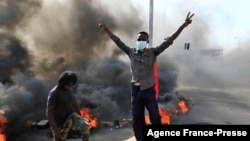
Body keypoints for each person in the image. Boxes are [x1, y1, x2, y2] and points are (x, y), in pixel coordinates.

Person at [98, 12, 194, 141]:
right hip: (136, 91)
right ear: (136, 41)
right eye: (139, 39)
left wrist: (183, 25)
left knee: (155, 116)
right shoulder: (130, 52)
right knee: (137, 119)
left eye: (143, 39)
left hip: (148, 90)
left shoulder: (153, 52)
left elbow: (170, 40)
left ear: (147, 42)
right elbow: (117, 40)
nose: (141, 41)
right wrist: (106, 29)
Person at [46, 71, 90, 141]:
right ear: (63, 83)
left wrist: (80, 117)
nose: (71, 87)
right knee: (60, 138)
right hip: (60, 122)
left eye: (72, 85)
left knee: (85, 125)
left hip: (71, 116)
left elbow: (74, 102)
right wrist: (55, 130)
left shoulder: (70, 90)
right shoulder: (54, 93)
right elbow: (49, 113)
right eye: (69, 85)